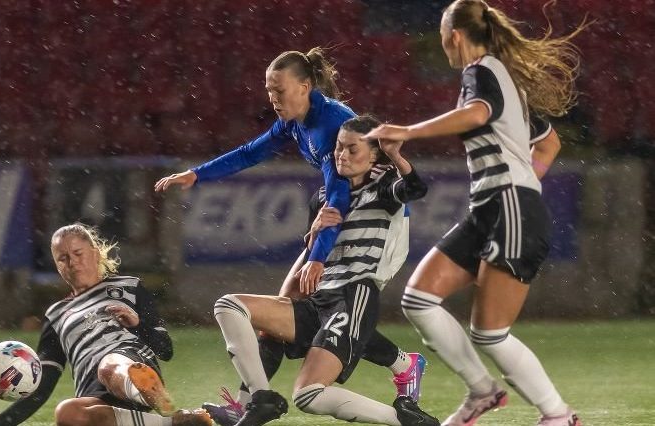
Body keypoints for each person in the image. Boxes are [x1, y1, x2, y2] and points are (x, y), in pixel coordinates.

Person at [155, 48, 428, 425]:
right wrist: (197, 175)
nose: (273, 99)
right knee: (282, 318)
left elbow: (339, 196)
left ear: (304, 86)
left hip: (374, 222)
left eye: (278, 91)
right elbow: (251, 152)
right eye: (269, 91)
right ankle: (251, 401)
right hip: (340, 215)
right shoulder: (296, 121)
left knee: (327, 306)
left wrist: (317, 254)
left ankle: (254, 401)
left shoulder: (333, 122)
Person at [362, 1, 588, 425]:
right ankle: (483, 391)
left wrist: (409, 131)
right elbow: (549, 142)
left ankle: (558, 416)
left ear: (455, 36)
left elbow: (478, 113)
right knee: (419, 298)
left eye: (444, 38)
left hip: (509, 207)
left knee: (488, 332)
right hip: (491, 207)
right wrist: (527, 179)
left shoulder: (481, 72)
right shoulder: (505, 82)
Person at [212, 115, 439, 426]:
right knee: (228, 305)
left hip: (352, 294)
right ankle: (259, 397)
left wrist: (397, 156)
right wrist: (315, 231)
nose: (342, 155)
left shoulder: (384, 186)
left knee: (308, 395)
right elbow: (315, 250)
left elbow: (415, 188)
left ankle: (405, 421)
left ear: (374, 154)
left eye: (352, 149)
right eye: (338, 148)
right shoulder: (324, 196)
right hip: (318, 299)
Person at [0, 223, 211, 426]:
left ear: (94, 252)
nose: (72, 262)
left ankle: (145, 390)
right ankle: (174, 422)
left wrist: (137, 324)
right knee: (67, 413)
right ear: (57, 266)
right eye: (62, 258)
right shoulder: (56, 315)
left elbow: (165, 350)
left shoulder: (129, 287)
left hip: (131, 363)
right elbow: (42, 383)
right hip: (95, 397)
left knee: (108, 365)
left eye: (78, 253)